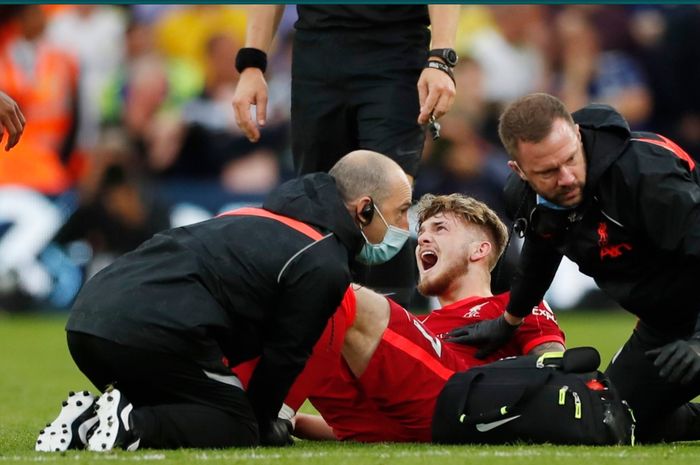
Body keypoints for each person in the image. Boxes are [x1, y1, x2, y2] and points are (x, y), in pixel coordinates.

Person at [35, 150, 413, 452]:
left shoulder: (261, 216)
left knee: (196, 406)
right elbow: (285, 357)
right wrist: (262, 424)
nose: (405, 227)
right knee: (236, 424)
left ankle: (89, 419)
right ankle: (132, 424)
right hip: (150, 331)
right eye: (400, 212)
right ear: (364, 209)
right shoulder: (323, 261)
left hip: (85, 323)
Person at [449, 92, 700, 442]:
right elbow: (542, 247)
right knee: (610, 420)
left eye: (570, 159)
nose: (565, 178)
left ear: (578, 136)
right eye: (548, 171)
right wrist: (510, 320)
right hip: (665, 322)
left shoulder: (644, 174)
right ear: (520, 172)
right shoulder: (526, 198)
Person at [244, 194, 564, 442]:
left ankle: (266, 414)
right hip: (404, 415)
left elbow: (553, 362)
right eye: (421, 231)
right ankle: (243, 406)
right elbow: (377, 424)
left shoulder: (510, 306)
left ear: (479, 250)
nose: (422, 239)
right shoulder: (412, 333)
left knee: (334, 290)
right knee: (290, 309)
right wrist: (297, 424)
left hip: (459, 398)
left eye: (440, 228)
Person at [232, 6, 460, 308]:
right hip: (317, 55)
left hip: (395, 52)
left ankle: (388, 336)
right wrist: (252, 62)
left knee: (385, 200)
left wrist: (441, 58)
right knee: (316, 208)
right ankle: (319, 330)